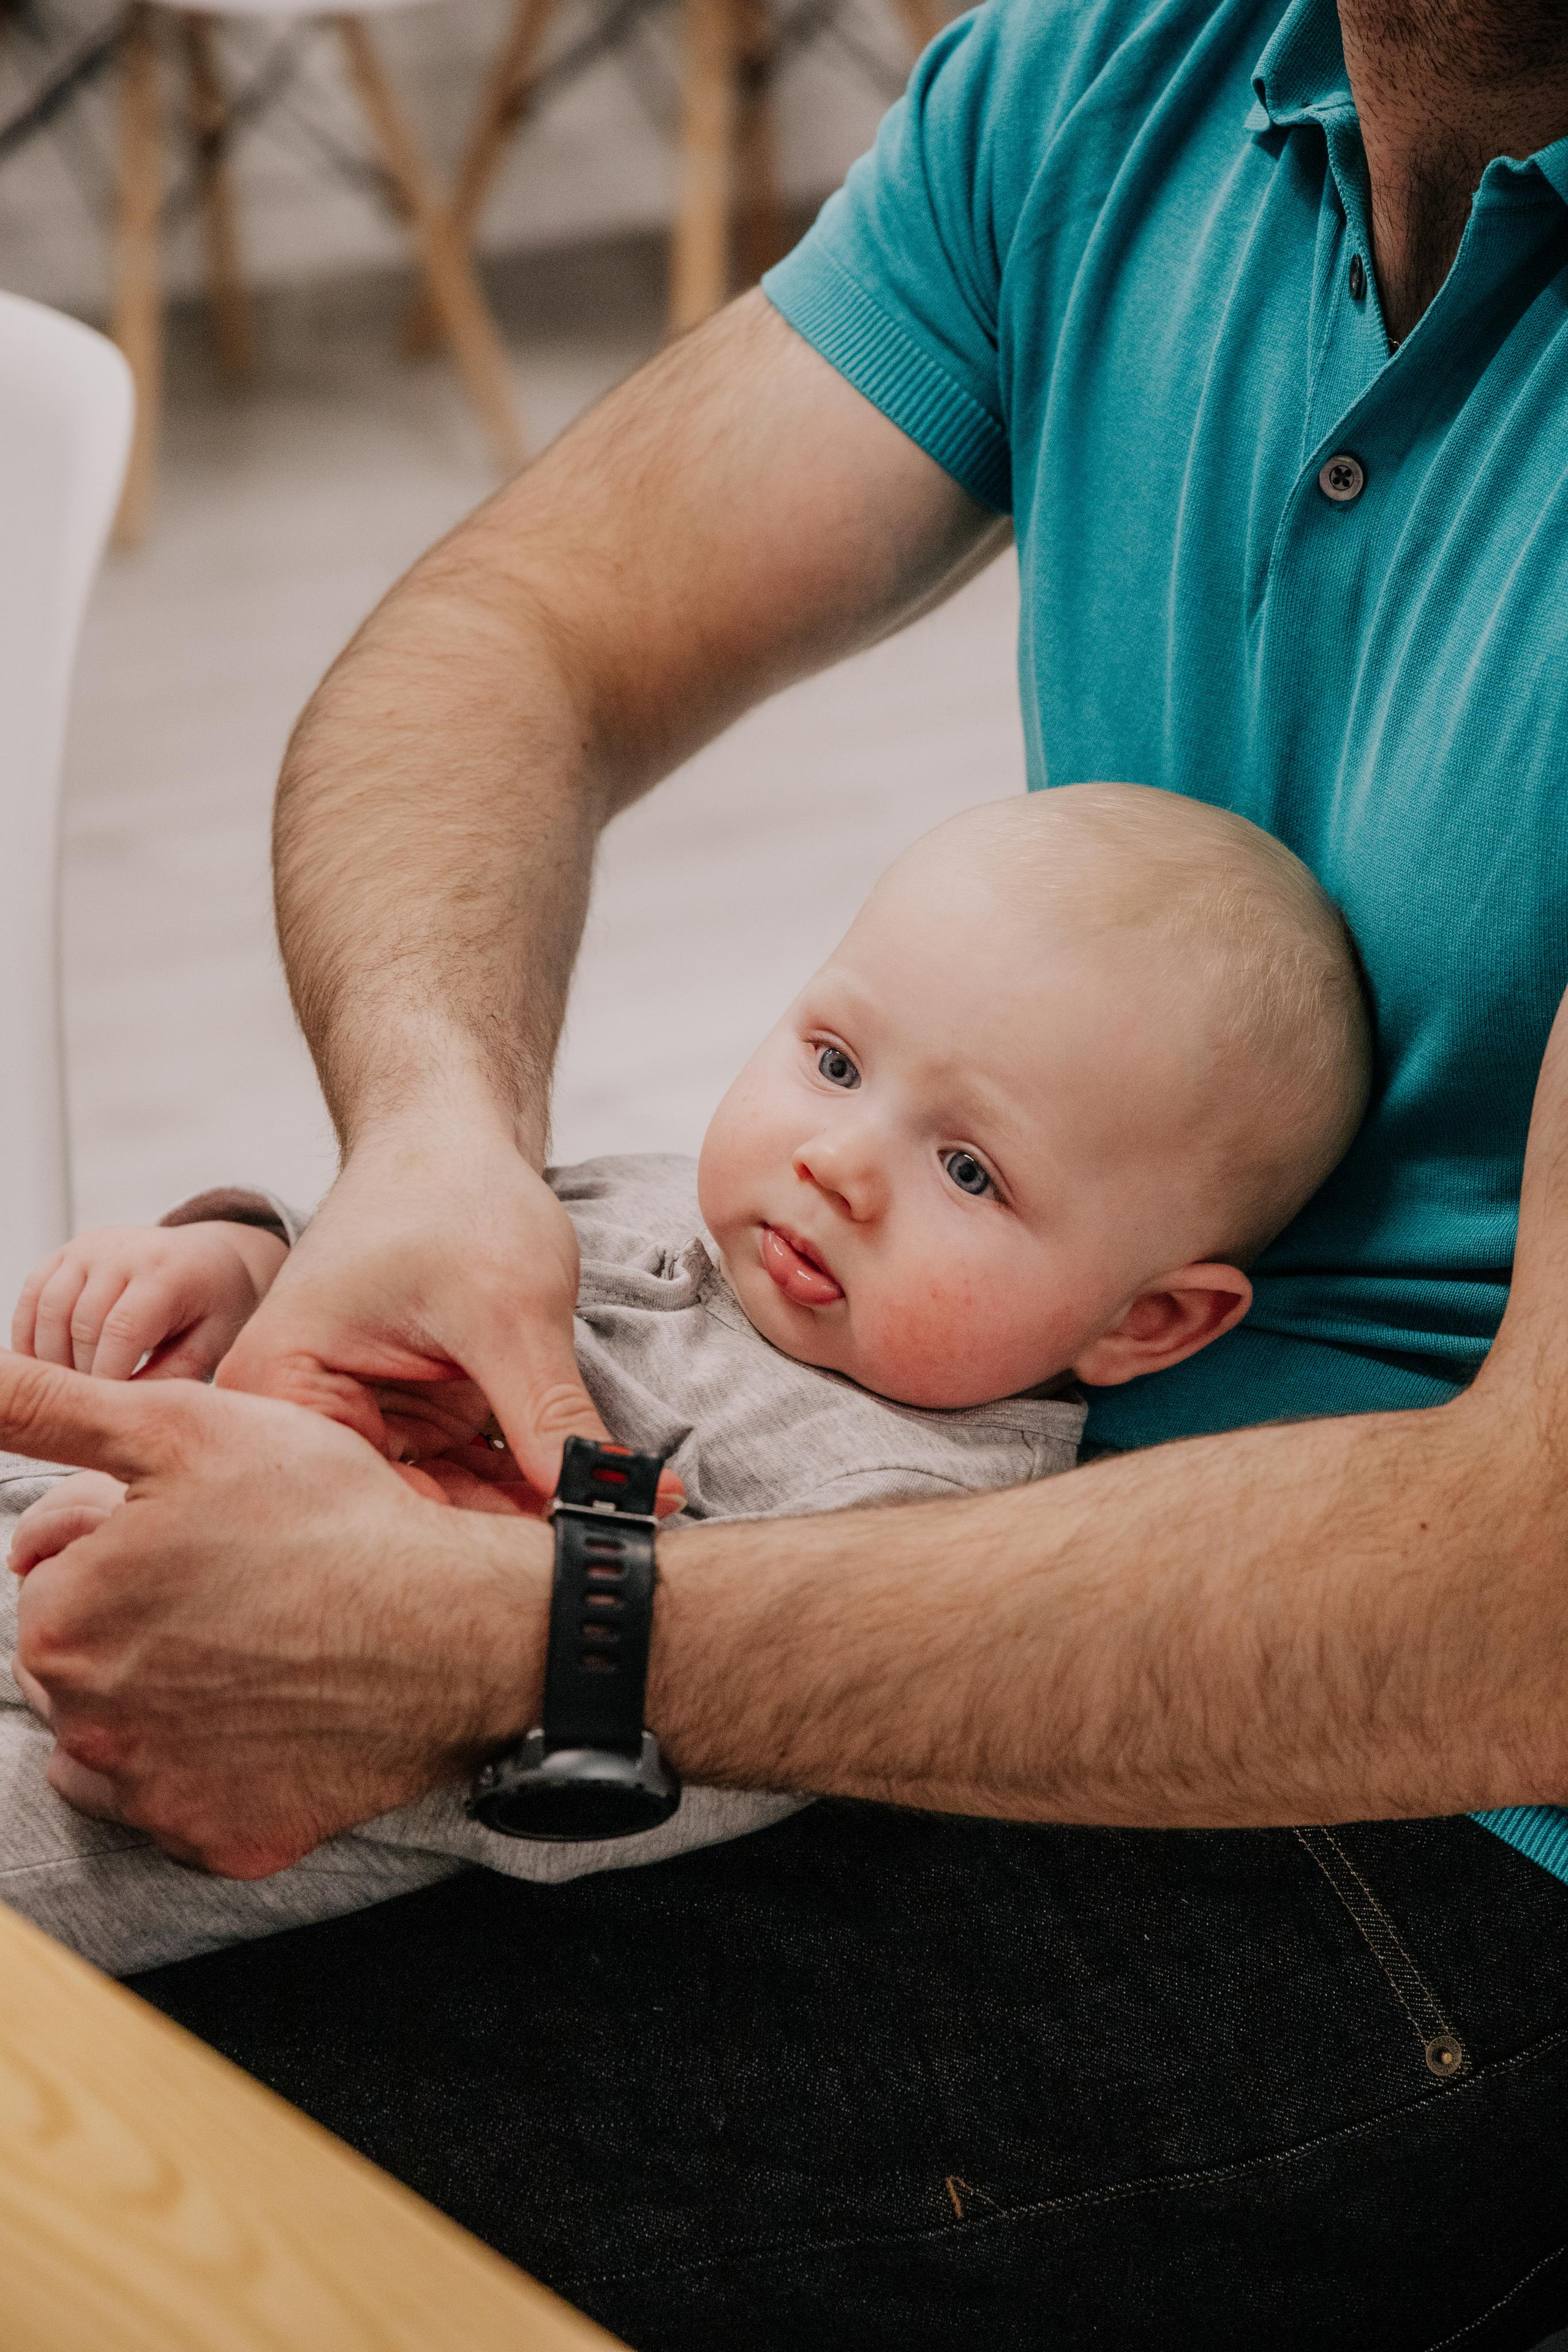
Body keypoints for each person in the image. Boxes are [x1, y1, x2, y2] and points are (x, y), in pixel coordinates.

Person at [4, 0, 1568, 2340]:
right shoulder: (1120, 73)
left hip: (1446, 1818)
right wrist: (407, 1161)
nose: (835, 1163)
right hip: (907, 1554)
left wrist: (514, 1636)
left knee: (121, 2208)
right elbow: (509, 643)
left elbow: (1527, 1613)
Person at [2, 786, 1370, 1970]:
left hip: (121, 1787)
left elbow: (600, 1794)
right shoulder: (671, 1195)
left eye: (968, 1170)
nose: (835, 1159)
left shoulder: (913, 1519)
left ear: (1146, 1322)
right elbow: (393, 1265)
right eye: (833, 1061)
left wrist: (400, 1598)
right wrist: (246, 1265)